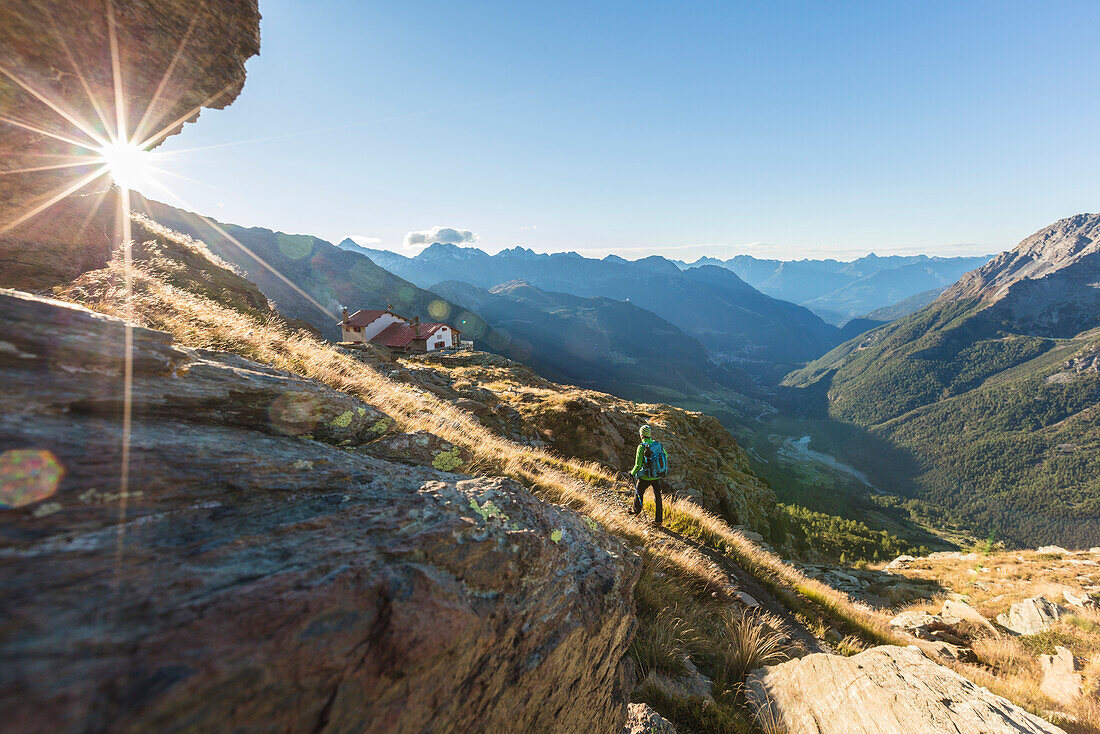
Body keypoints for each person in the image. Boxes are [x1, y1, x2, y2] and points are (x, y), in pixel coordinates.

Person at [629, 424, 666, 526]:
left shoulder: (641, 447)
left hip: (645, 476)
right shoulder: (657, 444)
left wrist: (632, 473)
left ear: (641, 435)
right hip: (656, 475)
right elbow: (665, 455)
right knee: (658, 498)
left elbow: (638, 464)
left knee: (639, 493)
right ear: (649, 434)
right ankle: (658, 520)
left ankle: (636, 511)